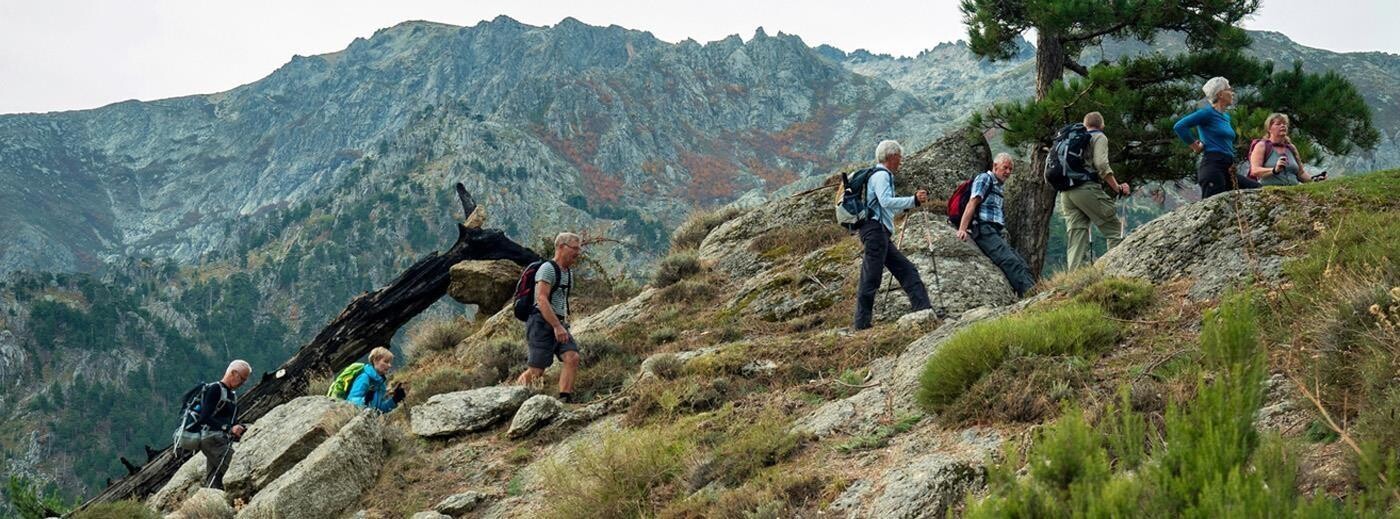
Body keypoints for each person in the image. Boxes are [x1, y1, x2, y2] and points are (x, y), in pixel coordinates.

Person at [852, 140, 933, 330]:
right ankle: (861, 324)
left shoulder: (878, 175)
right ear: (891, 157)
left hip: (878, 233)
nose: (901, 161)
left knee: (906, 269)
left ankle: (924, 310)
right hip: (876, 232)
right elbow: (885, 201)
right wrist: (913, 200)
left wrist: (908, 204)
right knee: (872, 276)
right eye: (899, 157)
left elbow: (883, 205)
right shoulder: (882, 175)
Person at [515, 232, 583, 402]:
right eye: (574, 248)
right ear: (561, 247)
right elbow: (541, 299)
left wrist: (562, 323)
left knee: (572, 356)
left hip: (558, 322)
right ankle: (514, 395)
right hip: (541, 322)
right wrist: (557, 326)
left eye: (578, 248)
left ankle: (564, 398)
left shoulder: (568, 272)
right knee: (537, 371)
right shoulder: (547, 269)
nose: (577, 252)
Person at [956, 153, 1035, 297]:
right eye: (1005, 168)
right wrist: (962, 229)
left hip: (994, 231)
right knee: (1010, 261)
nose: (1008, 172)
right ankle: (1031, 295)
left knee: (1021, 263)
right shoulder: (985, 179)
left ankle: (1036, 291)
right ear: (995, 166)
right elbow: (972, 203)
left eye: (1010, 169)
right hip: (983, 229)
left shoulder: (998, 186)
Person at [1060, 112, 1131, 271]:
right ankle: (1115, 273)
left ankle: (1073, 281)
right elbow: (1101, 164)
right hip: (1086, 188)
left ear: (1085, 125)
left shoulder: (1072, 139)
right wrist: (1117, 187)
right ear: (1102, 125)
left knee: (1076, 237)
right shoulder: (1099, 137)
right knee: (1113, 229)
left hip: (1066, 192)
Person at [1173, 76, 1260, 198]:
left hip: (1228, 168)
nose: (1232, 93)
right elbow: (1180, 126)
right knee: (1216, 207)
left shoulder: (1226, 117)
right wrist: (1195, 146)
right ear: (1220, 94)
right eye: (1229, 90)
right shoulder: (1207, 113)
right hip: (1213, 166)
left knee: (1258, 190)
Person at [196, 360, 250, 489]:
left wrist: (238, 426)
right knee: (236, 473)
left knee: (215, 478)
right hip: (212, 439)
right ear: (233, 373)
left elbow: (229, 420)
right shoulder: (215, 389)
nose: (243, 383)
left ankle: (210, 504)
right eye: (242, 379)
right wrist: (228, 428)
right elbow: (204, 417)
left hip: (217, 440)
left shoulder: (232, 395)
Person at [1249, 113, 1313, 186]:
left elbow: (1301, 173)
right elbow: (1255, 171)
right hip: (1270, 193)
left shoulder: (1291, 147)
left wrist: (1315, 180)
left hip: (1294, 191)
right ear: (1269, 129)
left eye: (1285, 124)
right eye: (1278, 124)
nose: (1283, 126)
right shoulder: (1262, 146)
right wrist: (1274, 170)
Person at [348, 347, 405, 413]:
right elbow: (350, 402)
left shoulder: (381, 384)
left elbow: (380, 409)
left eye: (390, 362)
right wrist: (365, 399)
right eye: (386, 361)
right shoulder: (364, 378)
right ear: (375, 360)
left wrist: (395, 399)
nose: (389, 365)